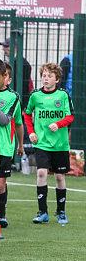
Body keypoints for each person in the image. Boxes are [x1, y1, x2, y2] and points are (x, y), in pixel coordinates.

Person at [24, 63, 74, 225]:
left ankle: (61, 212)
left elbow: (70, 116)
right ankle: (42, 211)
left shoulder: (63, 95)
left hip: (60, 144)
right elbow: (27, 114)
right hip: (42, 143)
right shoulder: (36, 95)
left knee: (59, 176)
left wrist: (58, 124)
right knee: (41, 174)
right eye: (44, 75)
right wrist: (31, 132)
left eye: (50, 76)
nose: (46, 78)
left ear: (57, 79)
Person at [0, 58, 24, 239]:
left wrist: (20, 144)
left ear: (5, 76)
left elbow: (5, 121)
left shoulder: (12, 97)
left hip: (3, 149)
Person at [0, 38, 32, 108]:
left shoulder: (23, 64)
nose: (3, 49)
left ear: (15, 48)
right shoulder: (9, 61)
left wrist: (24, 106)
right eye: (4, 46)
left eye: (6, 46)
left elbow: (25, 87)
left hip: (18, 102)